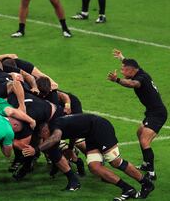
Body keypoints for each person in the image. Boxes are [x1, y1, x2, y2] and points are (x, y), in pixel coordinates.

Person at [23, 114, 155, 200]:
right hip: (91, 134)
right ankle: (128, 189)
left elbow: (56, 137)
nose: (43, 139)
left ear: (45, 130)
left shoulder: (55, 127)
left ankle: (146, 183)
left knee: (115, 162)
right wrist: (70, 148)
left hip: (101, 128)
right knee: (94, 167)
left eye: (42, 136)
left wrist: (36, 150)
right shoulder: (57, 125)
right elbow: (73, 132)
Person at [107, 49, 168, 180]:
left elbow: (132, 84)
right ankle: (146, 164)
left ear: (131, 70)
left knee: (144, 141)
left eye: (124, 70)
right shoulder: (138, 70)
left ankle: (151, 172)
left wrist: (117, 80)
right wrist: (121, 57)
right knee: (139, 133)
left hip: (157, 114)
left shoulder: (140, 79)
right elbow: (130, 64)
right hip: (152, 112)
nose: (122, 72)